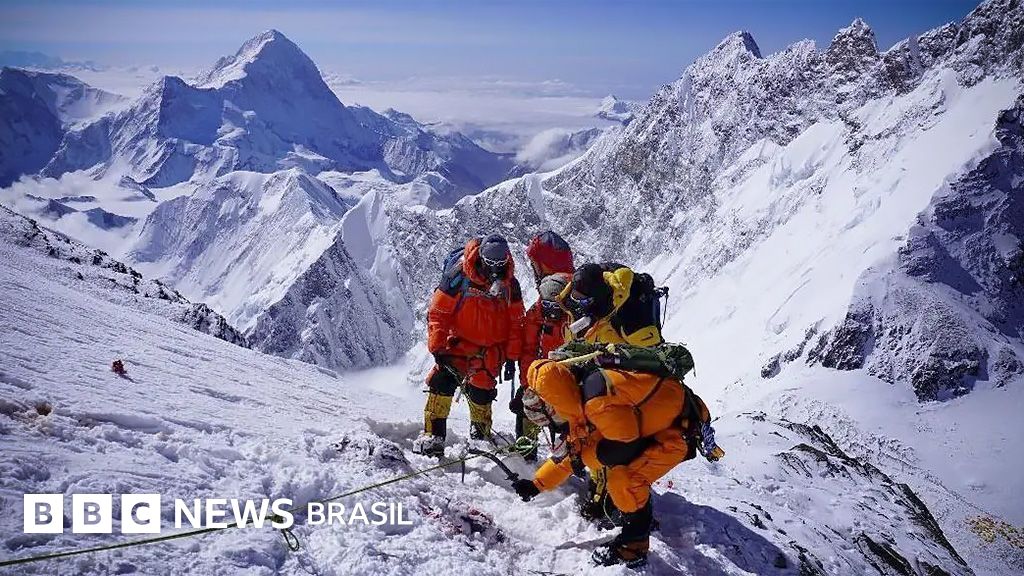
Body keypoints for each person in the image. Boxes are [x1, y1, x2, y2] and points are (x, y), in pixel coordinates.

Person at [512, 356, 713, 568]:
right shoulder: (574, 397)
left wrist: (583, 458)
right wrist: (537, 485)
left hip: (678, 431)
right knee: (613, 466)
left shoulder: (596, 403)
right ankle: (636, 522)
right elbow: (573, 454)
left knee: (625, 479)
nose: (554, 427)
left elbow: (623, 448)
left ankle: (633, 548)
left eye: (549, 422)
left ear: (553, 408)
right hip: (652, 426)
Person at [413, 234, 525, 456]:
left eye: (499, 264)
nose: (494, 270)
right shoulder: (458, 277)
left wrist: (512, 356)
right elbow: (438, 313)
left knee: (482, 392)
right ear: (481, 257)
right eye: (490, 264)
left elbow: (516, 322)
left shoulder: (510, 285)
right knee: (441, 381)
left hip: (490, 350)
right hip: (458, 344)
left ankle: (480, 436)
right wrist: (437, 347)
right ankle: (433, 434)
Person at [512, 230, 575, 461]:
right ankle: (574, 467)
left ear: (543, 265)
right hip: (577, 389)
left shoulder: (546, 304)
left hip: (553, 385)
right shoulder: (583, 297)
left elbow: (531, 347)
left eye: (534, 263)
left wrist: (529, 385)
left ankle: (526, 460)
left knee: (527, 408)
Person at [562, 262, 665, 347]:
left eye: (584, 302)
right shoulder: (575, 296)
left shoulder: (632, 313)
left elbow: (649, 354)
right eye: (574, 298)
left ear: (597, 298)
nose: (578, 306)